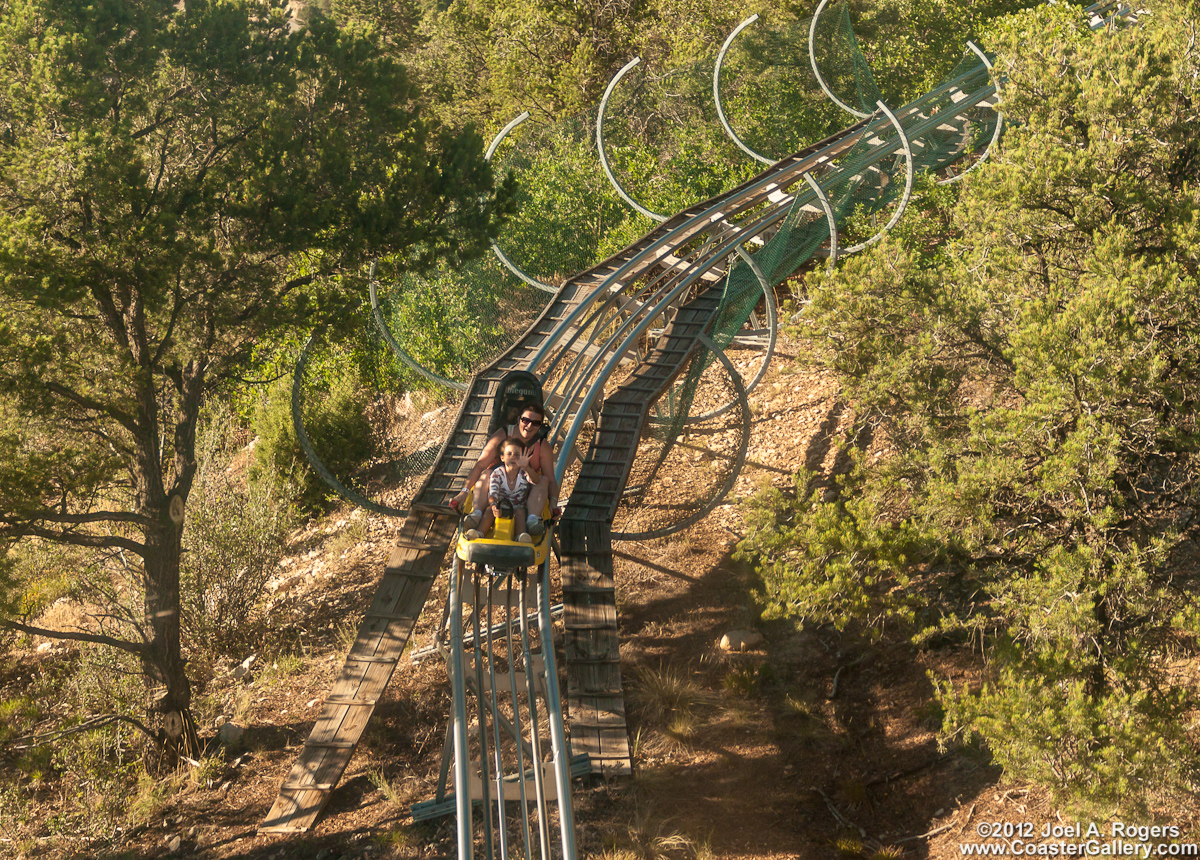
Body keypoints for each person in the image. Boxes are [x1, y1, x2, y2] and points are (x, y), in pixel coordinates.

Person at [451, 403, 557, 537]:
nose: (529, 426)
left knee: (543, 480)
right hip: (498, 485)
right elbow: (480, 465)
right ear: (519, 419)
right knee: (485, 474)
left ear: (540, 425)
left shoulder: (542, 446)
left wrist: (553, 501)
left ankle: (532, 520)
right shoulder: (503, 435)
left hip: (523, 491)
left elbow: (550, 480)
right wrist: (464, 492)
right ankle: (476, 514)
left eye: (535, 423)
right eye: (526, 420)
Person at [466, 437, 533, 543]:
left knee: (520, 513)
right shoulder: (497, 473)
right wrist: (493, 505)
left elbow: (535, 480)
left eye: (517, 455)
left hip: (518, 507)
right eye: (509, 454)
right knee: (488, 511)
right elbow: (493, 492)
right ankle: (479, 532)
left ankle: (521, 536)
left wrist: (527, 468)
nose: (513, 457)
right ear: (502, 458)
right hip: (499, 506)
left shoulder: (524, 473)